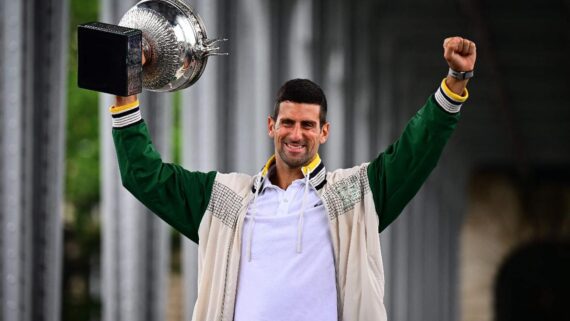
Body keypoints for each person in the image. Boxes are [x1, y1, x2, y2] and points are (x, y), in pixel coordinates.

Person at [109, 36, 477, 321]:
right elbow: (144, 176)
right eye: (287, 122)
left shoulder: (354, 195)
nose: (296, 134)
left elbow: (416, 152)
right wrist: (125, 82)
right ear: (272, 126)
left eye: (307, 125)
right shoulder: (224, 199)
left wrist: (456, 80)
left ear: (324, 132)